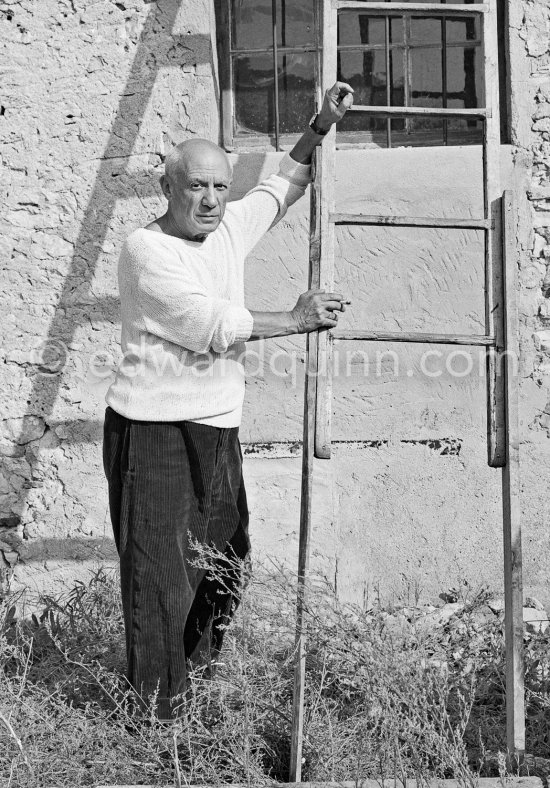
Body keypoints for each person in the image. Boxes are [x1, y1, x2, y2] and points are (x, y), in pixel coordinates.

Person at [102, 82, 354, 720]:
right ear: (170, 189)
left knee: (225, 562)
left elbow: (279, 190)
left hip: (215, 427)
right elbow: (205, 323)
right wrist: (295, 319)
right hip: (152, 429)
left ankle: (191, 687)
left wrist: (319, 124)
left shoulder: (224, 230)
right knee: (159, 577)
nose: (212, 199)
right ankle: (156, 720)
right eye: (197, 187)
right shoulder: (145, 250)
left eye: (219, 186)